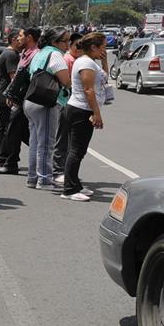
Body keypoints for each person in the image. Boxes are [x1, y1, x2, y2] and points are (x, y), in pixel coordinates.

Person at [59, 32, 106, 202]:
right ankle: (69, 189)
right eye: (102, 47)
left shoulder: (90, 62)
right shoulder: (85, 62)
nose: (104, 50)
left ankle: (75, 184)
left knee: (79, 150)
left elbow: (104, 79)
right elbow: (88, 90)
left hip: (82, 109)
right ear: (93, 47)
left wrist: (104, 60)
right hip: (81, 110)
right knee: (76, 150)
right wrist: (96, 113)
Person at [23, 28, 71, 191]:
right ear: (55, 42)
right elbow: (65, 81)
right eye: (65, 41)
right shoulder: (55, 55)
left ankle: (33, 178)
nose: (68, 44)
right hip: (46, 103)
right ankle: (44, 179)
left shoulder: (39, 53)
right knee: (46, 143)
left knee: (35, 142)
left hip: (31, 100)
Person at [0, 27, 39, 174]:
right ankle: (5, 160)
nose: (19, 38)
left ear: (29, 37)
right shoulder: (19, 54)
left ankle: (6, 160)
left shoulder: (32, 54)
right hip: (14, 97)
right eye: (18, 36)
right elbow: (15, 78)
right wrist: (11, 94)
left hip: (22, 98)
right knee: (11, 129)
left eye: (21, 35)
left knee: (14, 130)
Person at [0, 29, 25, 174]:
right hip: (7, 97)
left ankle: (0, 158)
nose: (21, 41)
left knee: (4, 127)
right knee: (5, 129)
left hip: (4, 95)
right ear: (14, 40)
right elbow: (13, 77)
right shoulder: (11, 54)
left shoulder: (11, 53)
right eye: (19, 38)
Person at [51, 31, 84, 187]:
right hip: (64, 102)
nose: (79, 48)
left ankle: (65, 171)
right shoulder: (68, 60)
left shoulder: (77, 60)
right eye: (76, 45)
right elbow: (67, 82)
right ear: (69, 45)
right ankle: (58, 171)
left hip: (71, 103)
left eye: (82, 45)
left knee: (69, 140)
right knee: (62, 139)